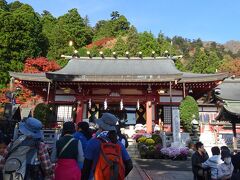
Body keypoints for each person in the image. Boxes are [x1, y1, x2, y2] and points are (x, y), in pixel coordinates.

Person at [81, 113, 133, 180]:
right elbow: (129, 165)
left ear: (101, 126)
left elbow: (86, 168)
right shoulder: (118, 143)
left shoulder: (93, 142)